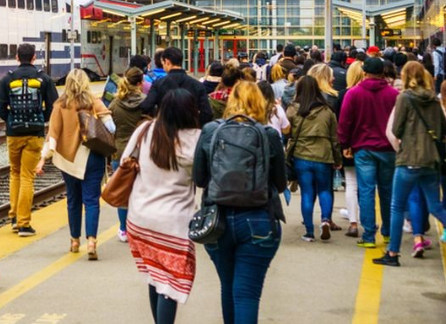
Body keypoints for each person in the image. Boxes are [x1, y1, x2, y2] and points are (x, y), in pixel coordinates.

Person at [194, 81, 287, 324]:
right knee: (246, 294)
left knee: (228, 286)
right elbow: (280, 183)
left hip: (217, 222)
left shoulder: (210, 131)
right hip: (258, 220)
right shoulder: (268, 134)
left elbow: (200, 178)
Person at [123, 89, 201, 324]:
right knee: (169, 284)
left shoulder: (145, 130)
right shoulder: (197, 138)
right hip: (173, 223)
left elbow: (125, 160)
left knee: (154, 275)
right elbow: (203, 177)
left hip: (139, 218)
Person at [372, 62, 446, 266]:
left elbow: (396, 129)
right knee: (435, 206)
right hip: (430, 159)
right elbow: (442, 129)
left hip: (409, 159)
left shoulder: (404, 97)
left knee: (397, 206)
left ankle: (393, 253)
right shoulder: (433, 99)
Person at [37, 69, 115, 259]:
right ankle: (91, 242)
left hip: (68, 161)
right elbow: (111, 127)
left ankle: (74, 241)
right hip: (92, 157)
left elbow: (52, 136)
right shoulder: (93, 101)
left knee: (73, 200)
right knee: (91, 201)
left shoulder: (60, 105)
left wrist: (42, 160)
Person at [0, 43, 58, 237]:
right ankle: (23, 223)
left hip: (14, 134)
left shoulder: (7, 79)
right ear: (33, 57)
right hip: (34, 134)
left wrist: (12, 121)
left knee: (15, 173)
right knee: (27, 176)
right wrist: (41, 119)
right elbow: (53, 105)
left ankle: (14, 216)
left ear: (16, 57)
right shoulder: (44, 78)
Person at [338, 56, 399, 248]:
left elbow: (345, 122)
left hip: (363, 149)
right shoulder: (393, 94)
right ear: (383, 72)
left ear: (364, 73)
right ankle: (388, 233)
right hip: (388, 149)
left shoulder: (353, 94)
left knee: (366, 191)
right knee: (387, 191)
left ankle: (369, 236)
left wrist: (345, 144)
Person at [286, 76, 343, 242]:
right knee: (325, 190)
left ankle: (309, 231)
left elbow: (287, 132)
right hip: (324, 155)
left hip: (302, 155)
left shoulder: (293, 109)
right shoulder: (327, 111)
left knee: (307, 193)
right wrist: (337, 158)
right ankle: (325, 220)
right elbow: (334, 138)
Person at [109, 66, 147, 243]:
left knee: (122, 192)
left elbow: (110, 128)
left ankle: (124, 229)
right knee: (142, 191)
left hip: (120, 152)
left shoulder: (114, 104)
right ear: (140, 83)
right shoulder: (145, 103)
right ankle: (139, 229)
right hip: (141, 152)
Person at [139, 47, 213, 127]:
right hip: (190, 131)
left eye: (163, 63)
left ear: (167, 62)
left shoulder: (158, 84)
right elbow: (207, 113)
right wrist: (195, 126)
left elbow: (146, 106)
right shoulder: (197, 85)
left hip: (165, 131)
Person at [338, 60, 365, 237]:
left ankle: (354, 223)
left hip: (350, 145)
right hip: (372, 146)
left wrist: (343, 145)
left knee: (351, 184)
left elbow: (341, 121)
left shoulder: (344, 95)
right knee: (368, 186)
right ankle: (369, 222)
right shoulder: (376, 92)